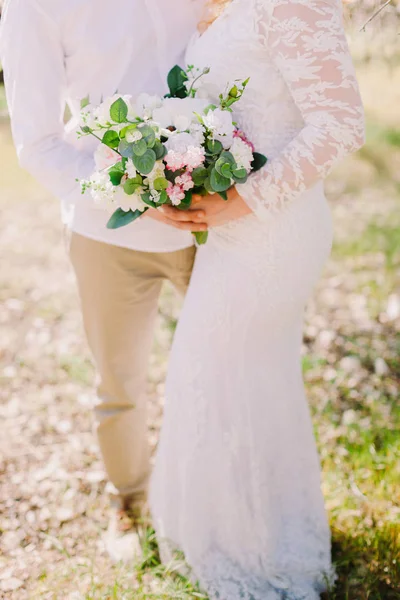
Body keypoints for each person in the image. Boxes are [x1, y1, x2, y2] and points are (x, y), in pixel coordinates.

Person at [149, 0, 365, 598]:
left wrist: (240, 201)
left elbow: (341, 124)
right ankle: (238, 525)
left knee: (228, 375)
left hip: (273, 232)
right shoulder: (219, 7)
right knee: (233, 377)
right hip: (234, 234)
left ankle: (257, 548)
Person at [0, 0, 206, 562]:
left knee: (228, 373)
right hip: (109, 233)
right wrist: (136, 194)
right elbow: (38, 144)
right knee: (119, 385)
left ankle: (219, 499)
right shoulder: (33, 7)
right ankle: (131, 502)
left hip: (219, 222)